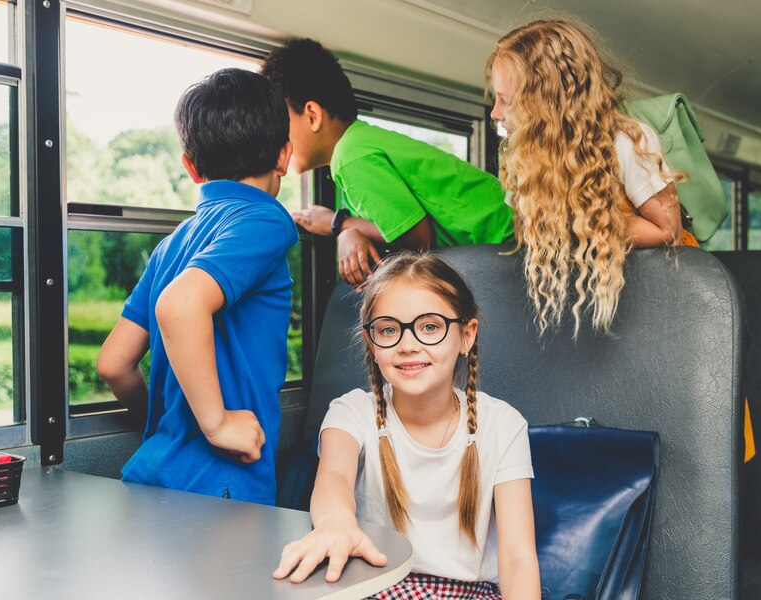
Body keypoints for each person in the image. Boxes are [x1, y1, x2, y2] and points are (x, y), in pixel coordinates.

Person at [272, 253, 540, 598]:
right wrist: (336, 523)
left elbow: (518, 558)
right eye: (388, 330)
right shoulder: (351, 411)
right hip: (376, 585)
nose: (408, 345)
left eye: (430, 327)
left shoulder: (504, 424)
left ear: (466, 336)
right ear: (372, 343)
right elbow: (334, 478)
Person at [96, 68, 298, 504]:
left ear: (190, 166)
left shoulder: (173, 244)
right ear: (284, 156)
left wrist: (171, 421)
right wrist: (217, 424)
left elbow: (114, 363)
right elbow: (181, 305)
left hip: (152, 470)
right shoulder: (265, 218)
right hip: (221, 482)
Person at [488, 19, 699, 337]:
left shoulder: (625, 140)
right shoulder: (523, 155)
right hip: (596, 287)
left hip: (667, 288)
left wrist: (581, 220)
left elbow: (667, 230)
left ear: (551, 101)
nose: (495, 113)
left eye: (508, 100)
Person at [260, 39, 514, 286]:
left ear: (313, 116)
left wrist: (337, 223)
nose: (275, 139)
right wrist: (351, 231)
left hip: (512, 240)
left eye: (280, 125)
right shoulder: (361, 142)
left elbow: (418, 239)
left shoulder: (350, 157)